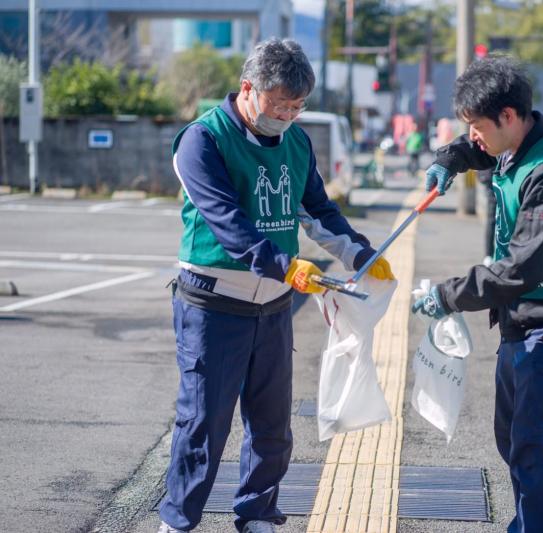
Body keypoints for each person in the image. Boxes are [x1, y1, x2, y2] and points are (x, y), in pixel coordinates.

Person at [158, 38, 394, 533]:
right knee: (203, 423)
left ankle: (258, 514)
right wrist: (285, 264)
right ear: (249, 89)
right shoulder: (202, 140)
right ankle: (178, 522)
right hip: (213, 303)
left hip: (273, 308)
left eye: (297, 106)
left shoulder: (296, 141)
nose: (288, 115)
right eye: (280, 104)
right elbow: (226, 220)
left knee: (272, 425)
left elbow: (317, 211)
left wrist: (362, 254)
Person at [416, 56, 543, 533]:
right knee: (512, 436)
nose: (474, 136)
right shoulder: (516, 140)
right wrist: (450, 159)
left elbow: (521, 267)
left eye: (478, 126)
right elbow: (481, 150)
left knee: (532, 444)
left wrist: (449, 296)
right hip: (523, 314)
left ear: (509, 116)